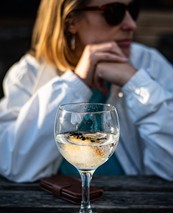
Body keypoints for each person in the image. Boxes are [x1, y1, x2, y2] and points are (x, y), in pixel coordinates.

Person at [0, 0, 173, 183]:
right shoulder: (30, 73)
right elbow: (13, 165)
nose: (131, 24)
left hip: (140, 206)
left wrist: (135, 82)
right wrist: (76, 82)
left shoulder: (149, 63)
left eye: (133, 9)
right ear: (71, 21)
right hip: (49, 207)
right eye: (114, 12)